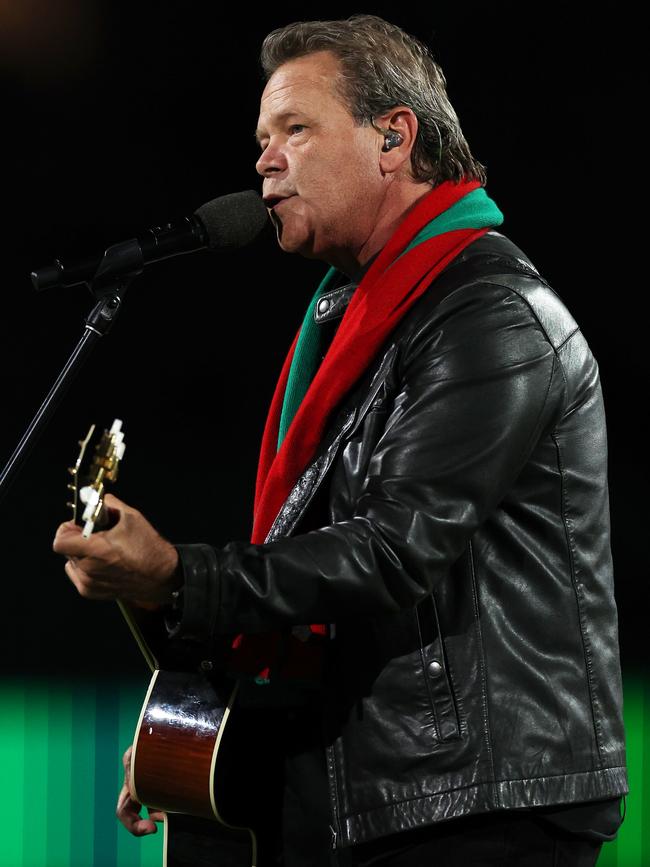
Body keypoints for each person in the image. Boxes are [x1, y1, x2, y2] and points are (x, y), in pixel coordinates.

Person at [53, 14, 628, 867]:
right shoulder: (355, 317)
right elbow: (323, 589)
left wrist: (181, 573)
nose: (263, 160)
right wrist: (221, 732)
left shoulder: (490, 315)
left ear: (393, 137)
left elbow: (392, 552)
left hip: (477, 803)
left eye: (295, 129)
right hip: (382, 785)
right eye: (259, 138)